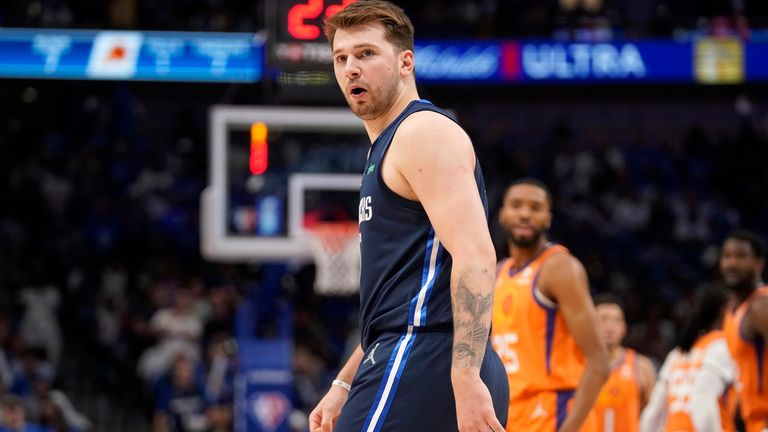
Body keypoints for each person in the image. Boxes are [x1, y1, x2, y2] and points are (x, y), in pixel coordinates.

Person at [309, 1, 509, 431]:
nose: (351, 69)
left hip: (429, 358)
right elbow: (400, 297)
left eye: (366, 54)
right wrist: (344, 382)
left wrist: (465, 375)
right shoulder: (387, 145)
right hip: (411, 352)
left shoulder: (422, 133)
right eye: (341, 58)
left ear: (405, 62)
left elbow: (476, 255)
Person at [491, 178, 609, 432]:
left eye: (535, 208)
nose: (525, 214)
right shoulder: (497, 274)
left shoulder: (559, 268)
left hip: (555, 414)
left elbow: (599, 361)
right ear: (502, 214)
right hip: (511, 415)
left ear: (548, 218)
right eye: (516, 205)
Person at [639, 285, 736, 432]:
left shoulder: (678, 354)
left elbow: (652, 414)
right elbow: (702, 401)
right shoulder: (723, 346)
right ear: (725, 310)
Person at [719, 230, 768, 432]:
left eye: (740, 256)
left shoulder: (761, 307)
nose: (732, 263)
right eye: (727, 256)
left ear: (758, 264)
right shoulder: (732, 310)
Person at [590, 293, 656, 432]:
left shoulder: (641, 366)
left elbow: (655, 416)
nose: (610, 326)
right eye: (603, 319)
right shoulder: (577, 365)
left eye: (616, 320)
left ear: (624, 327)